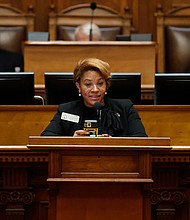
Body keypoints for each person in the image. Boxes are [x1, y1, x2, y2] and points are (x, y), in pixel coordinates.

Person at [41, 57, 147, 137]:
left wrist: (114, 144)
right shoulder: (66, 111)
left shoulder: (125, 108)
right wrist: (72, 141)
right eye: (88, 84)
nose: (95, 89)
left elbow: (141, 139)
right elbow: (45, 139)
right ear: (78, 86)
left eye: (100, 83)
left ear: (106, 85)